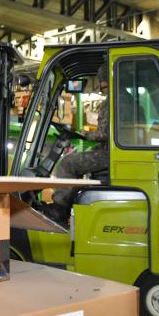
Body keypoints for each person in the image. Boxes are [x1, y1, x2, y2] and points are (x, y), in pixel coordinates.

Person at [50, 64, 109, 214]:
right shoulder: (124, 99)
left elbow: (103, 134)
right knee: (80, 156)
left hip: (110, 154)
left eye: (102, 83)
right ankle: (70, 203)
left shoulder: (111, 102)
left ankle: (59, 208)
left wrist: (85, 133)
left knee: (67, 163)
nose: (101, 87)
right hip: (113, 152)